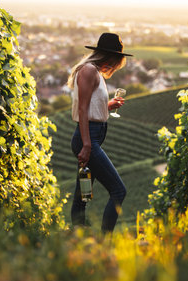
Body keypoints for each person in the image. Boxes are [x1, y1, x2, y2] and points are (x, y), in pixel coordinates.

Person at [67, 32, 132, 233]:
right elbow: (82, 110)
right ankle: (105, 242)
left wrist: (108, 104)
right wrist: (87, 145)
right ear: (110, 56)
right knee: (118, 191)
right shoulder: (88, 71)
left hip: (92, 136)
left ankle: (79, 236)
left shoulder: (95, 72)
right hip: (88, 138)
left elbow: (91, 105)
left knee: (83, 194)